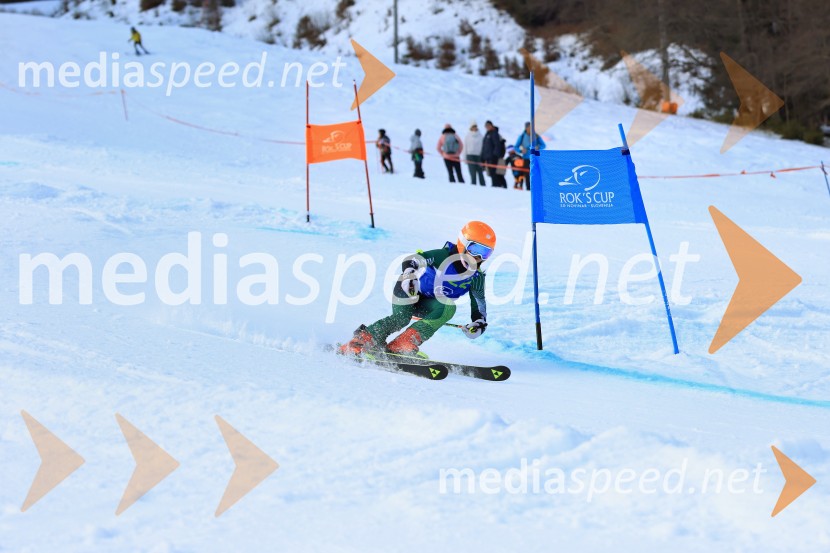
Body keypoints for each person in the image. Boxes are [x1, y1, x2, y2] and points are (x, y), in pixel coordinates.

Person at [338, 221, 496, 356]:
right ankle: (364, 339)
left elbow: (479, 303)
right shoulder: (443, 256)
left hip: (428, 304)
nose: (479, 257)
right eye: (476, 249)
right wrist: (409, 276)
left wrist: (479, 322)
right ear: (463, 243)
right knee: (401, 318)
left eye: (486, 253)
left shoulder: (476, 277)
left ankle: (401, 345)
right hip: (407, 291)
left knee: (448, 307)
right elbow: (412, 259)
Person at [481, 121, 507, 188]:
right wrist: (483, 157)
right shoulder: (487, 134)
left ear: (492, 126)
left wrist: (495, 155)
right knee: (491, 173)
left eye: (488, 125)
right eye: (486, 126)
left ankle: (496, 185)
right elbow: (484, 146)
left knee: (495, 173)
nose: (487, 127)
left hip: (493, 157)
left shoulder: (494, 133)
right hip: (488, 157)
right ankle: (496, 185)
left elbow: (497, 145)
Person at [464, 122, 485, 186]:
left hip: (479, 156)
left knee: (480, 172)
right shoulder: (467, 136)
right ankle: (473, 185)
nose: (474, 128)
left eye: (475, 126)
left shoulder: (481, 136)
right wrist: (465, 158)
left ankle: (483, 185)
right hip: (470, 156)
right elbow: (465, 147)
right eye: (473, 126)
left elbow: (483, 146)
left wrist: (483, 157)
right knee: (472, 172)